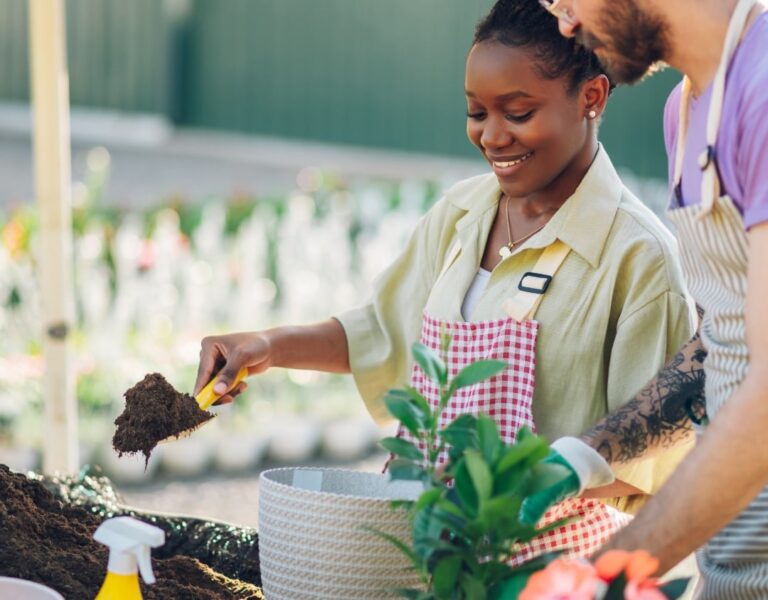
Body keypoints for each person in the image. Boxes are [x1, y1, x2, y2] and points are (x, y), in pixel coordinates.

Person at [195, 0, 696, 563]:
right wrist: (267, 346)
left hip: (548, 573)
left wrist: (517, 481)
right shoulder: (461, 214)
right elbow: (382, 332)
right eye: (477, 112)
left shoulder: (637, 257)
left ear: (592, 97)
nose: (492, 136)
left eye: (518, 111)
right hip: (426, 555)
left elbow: (653, 458)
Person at [531, 0, 768, 595]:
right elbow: (724, 343)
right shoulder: (685, 111)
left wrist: (606, 569)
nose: (565, 24)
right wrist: (578, 460)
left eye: (564, 0)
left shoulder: (762, 91)